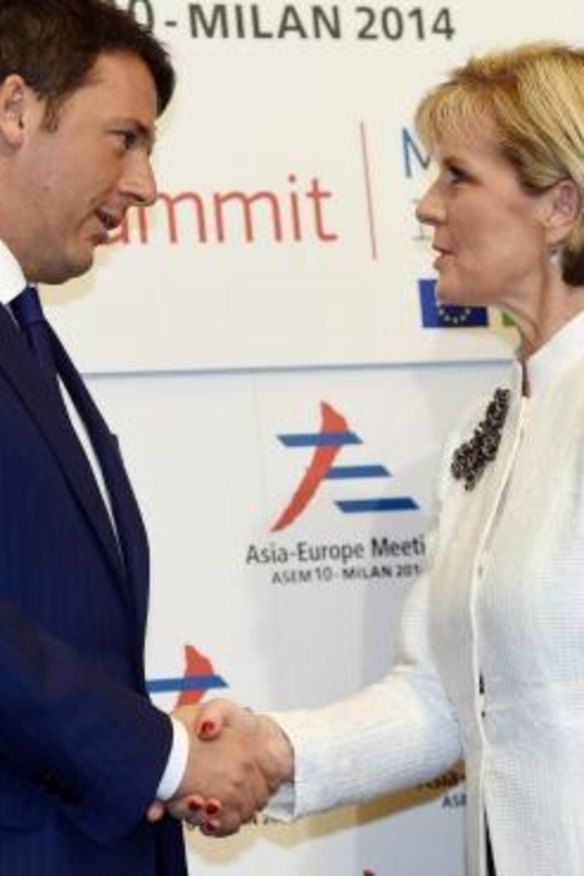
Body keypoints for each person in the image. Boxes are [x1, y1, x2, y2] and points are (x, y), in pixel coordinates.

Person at [165, 42, 584, 876]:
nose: (427, 207)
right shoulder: (487, 427)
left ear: (559, 207)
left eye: (457, 176)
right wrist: (276, 750)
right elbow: (442, 697)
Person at [0, 1, 271, 874]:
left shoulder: (25, 328)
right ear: (13, 112)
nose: (147, 184)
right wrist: (167, 756)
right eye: (125, 138)